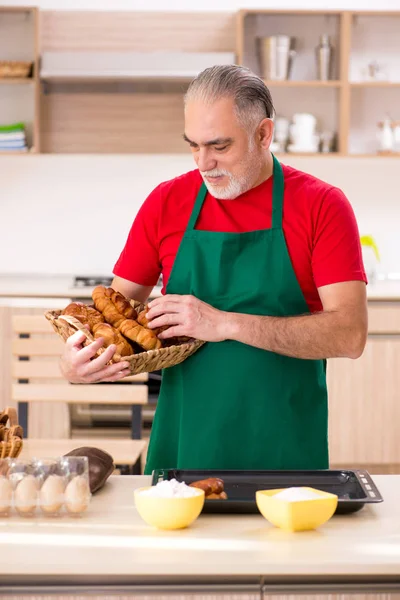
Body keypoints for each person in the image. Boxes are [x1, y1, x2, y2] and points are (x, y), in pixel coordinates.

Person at [60, 65, 368, 474]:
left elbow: (350, 335)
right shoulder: (167, 202)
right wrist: (75, 363)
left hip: (284, 448)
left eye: (219, 146)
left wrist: (224, 324)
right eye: (193, 146)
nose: (204, 163)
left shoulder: (322, 206)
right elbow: (114, 320)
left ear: (263, 134)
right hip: (186, 444)